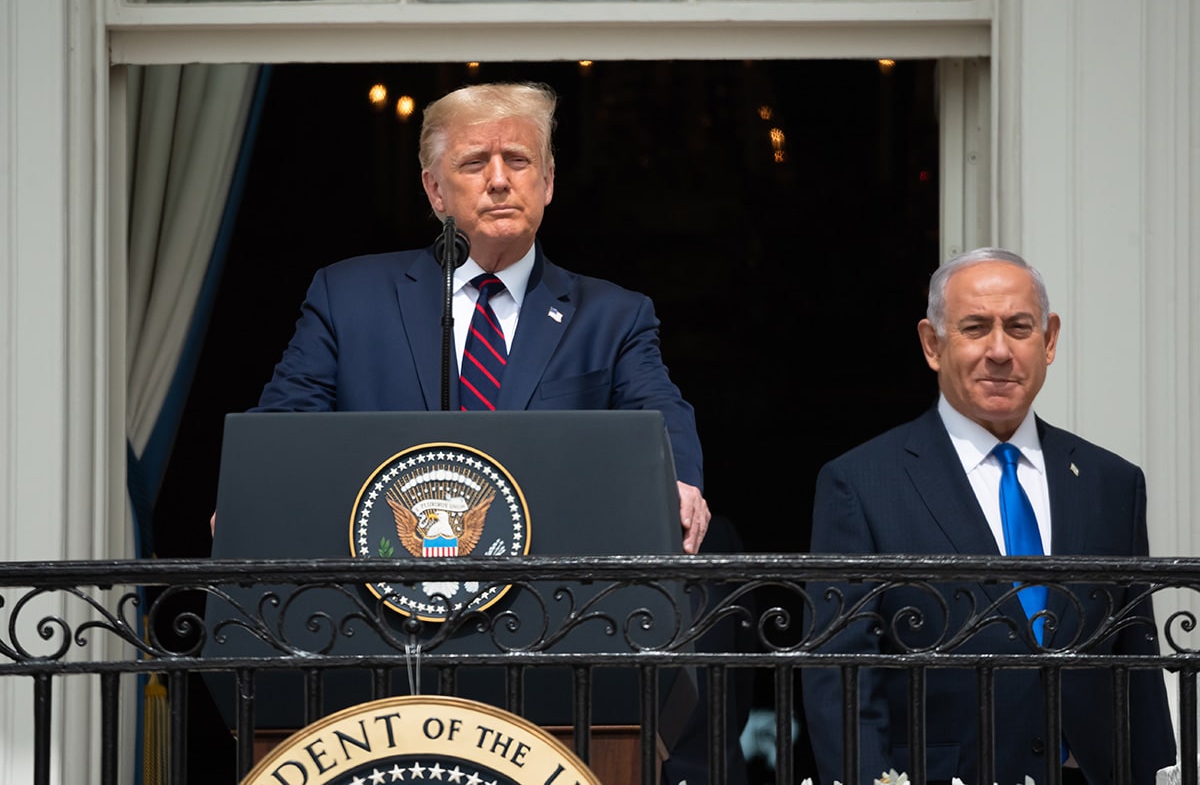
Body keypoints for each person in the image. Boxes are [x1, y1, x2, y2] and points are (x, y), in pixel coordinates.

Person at [231, 81, 710, 553]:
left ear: (547, 183)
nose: (499, 179)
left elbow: (659, 415)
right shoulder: (348, 296)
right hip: (386, 591)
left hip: (551, 598)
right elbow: (285, 422)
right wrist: (251, 495)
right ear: (435, 190)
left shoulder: (612, 316)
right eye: (475, 162)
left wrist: (679, 480)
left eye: (518, 161)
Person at [800, 248, 1176, 784]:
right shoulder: (862, 483)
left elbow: (1135, 663)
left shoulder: (1110, 480)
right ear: (933, 344)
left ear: (1048, 341)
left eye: (1019, 328)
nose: (999, 351)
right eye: (975, 327)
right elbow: (841, 676)